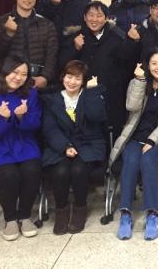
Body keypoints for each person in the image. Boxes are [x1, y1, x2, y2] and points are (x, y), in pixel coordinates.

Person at [108, 49, 158, 241]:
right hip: (135, 137)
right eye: (154, 63)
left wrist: (152, 140)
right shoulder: (137, 82)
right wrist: (140, 81)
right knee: (132, 160)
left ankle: (152, 214)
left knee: (148, 159)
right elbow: (131, 107)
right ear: (147, 66)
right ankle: (125, 214)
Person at [0, 56, 42, 241]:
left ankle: (24, 216)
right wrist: (1, 119)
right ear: (4, 71)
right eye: (15, 72)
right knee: (9, 174)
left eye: (24, 74)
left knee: (32, 169)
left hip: (23, 145)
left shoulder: (30, 95)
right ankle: (10, 219)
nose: (19, 78)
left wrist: (21, 117)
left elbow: (35, 125)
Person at [41, 60, 107, 235]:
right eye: (69, 77)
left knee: (79, 170)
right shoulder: (52, 99)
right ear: (63, 77)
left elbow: (96, 116)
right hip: (60, 146)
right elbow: (50, 129)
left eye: (77, 78)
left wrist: (92, 91)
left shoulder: (91, 94)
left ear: (83, 81)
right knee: (61, 171)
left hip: (88, 145)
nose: (72, 82)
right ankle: (61, 212)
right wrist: (65, 146)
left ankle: (79, 209)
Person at [59, 1, 131, 132]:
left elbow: (126, 63)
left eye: (99, 15)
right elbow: (62, 64)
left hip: (110, 94)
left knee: (110, 130)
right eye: (91, 15)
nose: (94, 19)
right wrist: (75, 48)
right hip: (81, 93)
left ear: (106, 18)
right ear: (84, 17)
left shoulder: (117, 37)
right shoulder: (75, 37)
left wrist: (133, 42)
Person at [0, 0, 58, 90]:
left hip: (37, 81)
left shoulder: (47, 24)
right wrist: (8, 34)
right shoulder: (0, 22)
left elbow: (52, 54)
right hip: (8, 82)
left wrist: (45, 77)